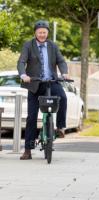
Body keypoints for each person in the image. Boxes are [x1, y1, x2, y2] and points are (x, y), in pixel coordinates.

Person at [17, 20, 69, 160]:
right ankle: (28, 150)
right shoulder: (28, 45)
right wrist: (23, 75)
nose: (42, 35)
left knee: (63, 98)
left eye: (44, 32)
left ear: (47, 33)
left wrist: (64, 73)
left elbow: (61, 61)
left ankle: (60, 127)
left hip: (51, 81)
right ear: (35, 33)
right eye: (39, 32)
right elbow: (21, 61)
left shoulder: (52, 46)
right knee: (31, 117)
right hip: (34, 84)